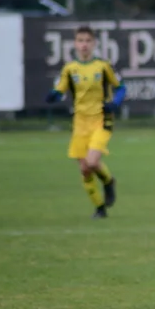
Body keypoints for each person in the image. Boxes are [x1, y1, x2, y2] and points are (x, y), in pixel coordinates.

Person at [45, 26, 125, 219]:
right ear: (75, 44)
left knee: (92, 161)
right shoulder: (70, 69)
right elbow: (60, 89)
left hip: (101, 120)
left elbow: (121, 88)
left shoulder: (103, 66)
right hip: (80, 123)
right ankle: (100, 208)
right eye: (80, 41)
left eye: (88, 41)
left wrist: (114, 103)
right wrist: (54, 95)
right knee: (85, 169)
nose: (84, 45)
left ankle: (108, 181)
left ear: (94, 43)